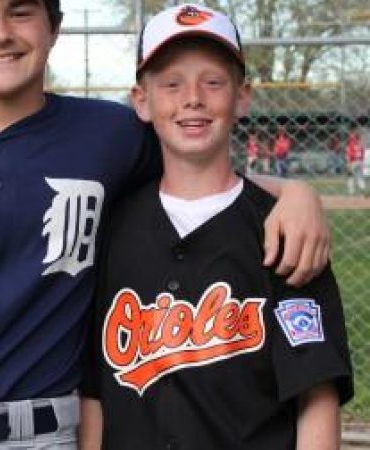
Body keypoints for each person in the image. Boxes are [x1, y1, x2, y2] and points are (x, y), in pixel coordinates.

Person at [0, 1, 331, 449]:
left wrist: (296, 193)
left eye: (21, 11)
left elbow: (198, 160)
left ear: (54, 27)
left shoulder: (110, 135)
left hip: (42, 432)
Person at [80, 4, 353, 450]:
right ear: (142, 101)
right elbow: (95, 388)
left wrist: (296, 193)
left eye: (213, 82)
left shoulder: (284, 229)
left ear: (242, 97)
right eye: (171, 84)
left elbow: (316, 392)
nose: (193, 98)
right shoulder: (113, 225)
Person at [345, 123, 367, 195]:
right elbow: (362, 151)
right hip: (360, 161)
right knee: (359, 176)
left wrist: (348, 162)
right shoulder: (359, 142)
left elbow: (349, 152)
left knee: (350, 175)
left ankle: (351, 191)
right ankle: (363, 189)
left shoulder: (351, 141)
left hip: (353, 160)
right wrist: (361, 160)